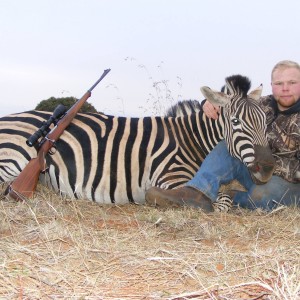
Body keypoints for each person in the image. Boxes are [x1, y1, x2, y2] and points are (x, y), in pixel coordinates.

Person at [145, 60, 300, 212]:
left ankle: (228, 198)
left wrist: (271, 165)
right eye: (279, 83)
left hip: (287, 181)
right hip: (254, 167)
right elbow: (230, 103)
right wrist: (208, 102)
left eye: (292, 82)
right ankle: (197, 193)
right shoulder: (260, 104)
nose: (285, 88)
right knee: (229, 143)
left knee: (261, 197)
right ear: (272, 86)